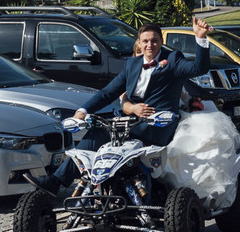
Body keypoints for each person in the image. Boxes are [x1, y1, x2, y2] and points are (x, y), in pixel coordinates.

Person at [24, 16, 212, 194]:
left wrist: (201, 38)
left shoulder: (172, 60)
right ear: (139, 43)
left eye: (154, 41)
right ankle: (57, 182)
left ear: (161, 42)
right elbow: (108, 92)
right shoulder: (132, 64)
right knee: (96, 133)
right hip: (131, 122)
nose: (150, 45)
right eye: (145, 41)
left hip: (158, 124)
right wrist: (82, 111)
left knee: (112, 136)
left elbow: (198, 68)